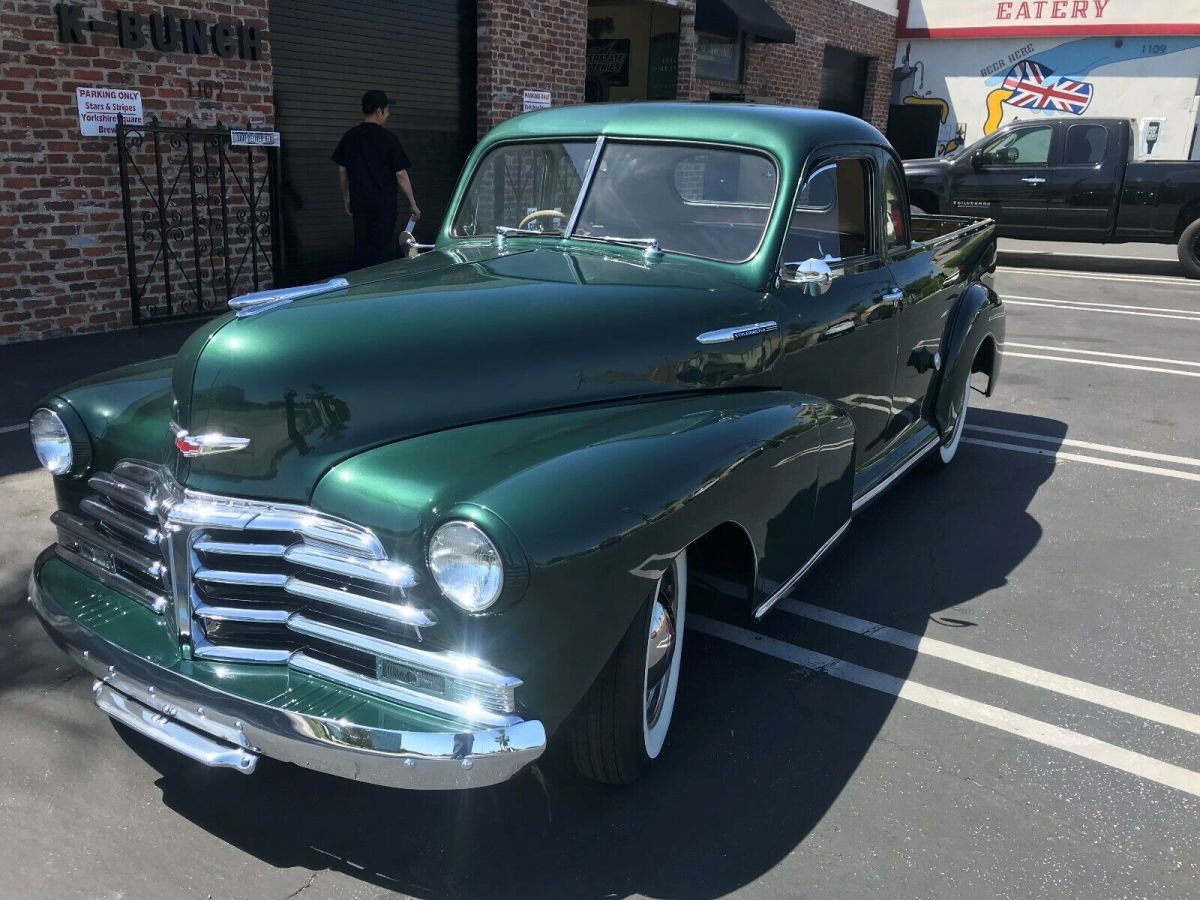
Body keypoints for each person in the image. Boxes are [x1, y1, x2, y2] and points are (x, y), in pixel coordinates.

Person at [332, 90, 421, 269]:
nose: (388, 115)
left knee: (363, 254)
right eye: (387, 111)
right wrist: (412, 203)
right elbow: (400, 174)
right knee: (383, 255)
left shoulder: (350, 137)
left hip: (360, 206)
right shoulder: (389, 139)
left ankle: (364, 290)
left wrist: (346, 196)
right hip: (384, 209)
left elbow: (342, 170)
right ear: (379, 111)